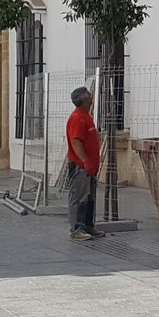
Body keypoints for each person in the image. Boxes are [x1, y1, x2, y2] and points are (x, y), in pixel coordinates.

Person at [65, 86, 104, 242]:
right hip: (80, 166)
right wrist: (85, 161)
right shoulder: (78, 118)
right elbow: (76, 141)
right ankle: (77, 228)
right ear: (83, 99)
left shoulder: (86, 116)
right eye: (88, 94)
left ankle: (88, 226)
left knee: (89, 197)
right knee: (79, 197)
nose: (91, 95)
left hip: (89, 166)